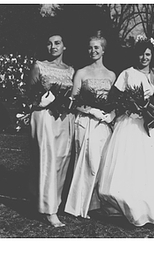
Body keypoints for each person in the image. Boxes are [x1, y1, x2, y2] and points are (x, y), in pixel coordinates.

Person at [97, 36, 154, 228]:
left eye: (147, 54)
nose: (144, 58)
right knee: (133, 166)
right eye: (141, 54)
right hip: (132, 124)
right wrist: (129, 106)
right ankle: (131, 207)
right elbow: (115, 97)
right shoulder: (127, 73)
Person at [64, 31, 116, 219]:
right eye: (90, 47)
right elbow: (73, 101)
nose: (92, 50)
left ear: (103, 50)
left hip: (103, 123)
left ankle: (96, 204)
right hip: (86, 121)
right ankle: (79, 205)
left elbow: (116, 101)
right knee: (86, 162)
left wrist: (111, 114)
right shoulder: (82, 72)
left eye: (96, 47)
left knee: (101, 162)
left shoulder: (111, 75)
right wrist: (89, 110)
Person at [29, 32, 75, 227]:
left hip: (65, 118)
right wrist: (41, 101)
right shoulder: (39, 66)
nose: (53, 46)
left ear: (65, 46)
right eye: (49, 44)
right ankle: (49, 210)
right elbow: (29, 95)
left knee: (62, 159)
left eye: (57, 43)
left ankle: (54, 202)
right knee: (47, 160)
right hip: (45, 117)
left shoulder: (71, 70)